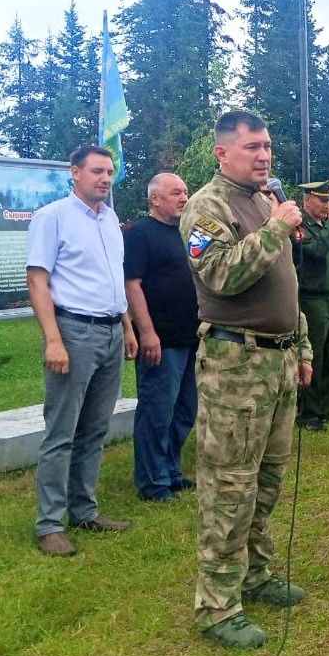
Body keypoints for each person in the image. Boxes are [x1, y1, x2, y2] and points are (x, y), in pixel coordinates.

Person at [179, 111, 313, 648]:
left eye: (268, 146)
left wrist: (300, 344)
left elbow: (288, 283)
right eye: (253, 146)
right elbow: (221, 275)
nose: (264, 156)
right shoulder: (205, 207)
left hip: (277, 362)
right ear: (223, 152)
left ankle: (255, 575)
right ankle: (216, 607)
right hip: (236, 365)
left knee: (268, 479)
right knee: (229, 485)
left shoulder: (262, 201)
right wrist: (279, 226)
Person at [26, 145, 139, 557]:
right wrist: (53, 339)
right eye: (96, 171)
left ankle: (84, 510)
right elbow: (38, 281)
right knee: (62, 432)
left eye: (109, 172)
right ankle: (50, 524)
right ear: (74, 173)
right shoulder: (52, 216)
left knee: (95, 429)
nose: (106, 179)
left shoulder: (109, 219)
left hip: (110, 332)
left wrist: (126, 328)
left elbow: (114, 281)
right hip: (73, 331)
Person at [124, 172, 198, 502]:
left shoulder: (189, 234)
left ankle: (171, 470)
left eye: (185, 192)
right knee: (157, 411)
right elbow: (132, 284)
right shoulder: (141, 234)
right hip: (161, 340)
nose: (183, 198)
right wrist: (147, 331)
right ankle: (152, 482)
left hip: (191, 336)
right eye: (175, 193)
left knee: (185, 409)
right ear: (155, 199)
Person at [292, 180, 329, 430]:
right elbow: (315, 252)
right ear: (308, 201)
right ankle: (309, 413)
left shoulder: (324, 226)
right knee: (313, 356)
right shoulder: (299, 227)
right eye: (323, 200)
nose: (328, 205)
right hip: (311, 298)